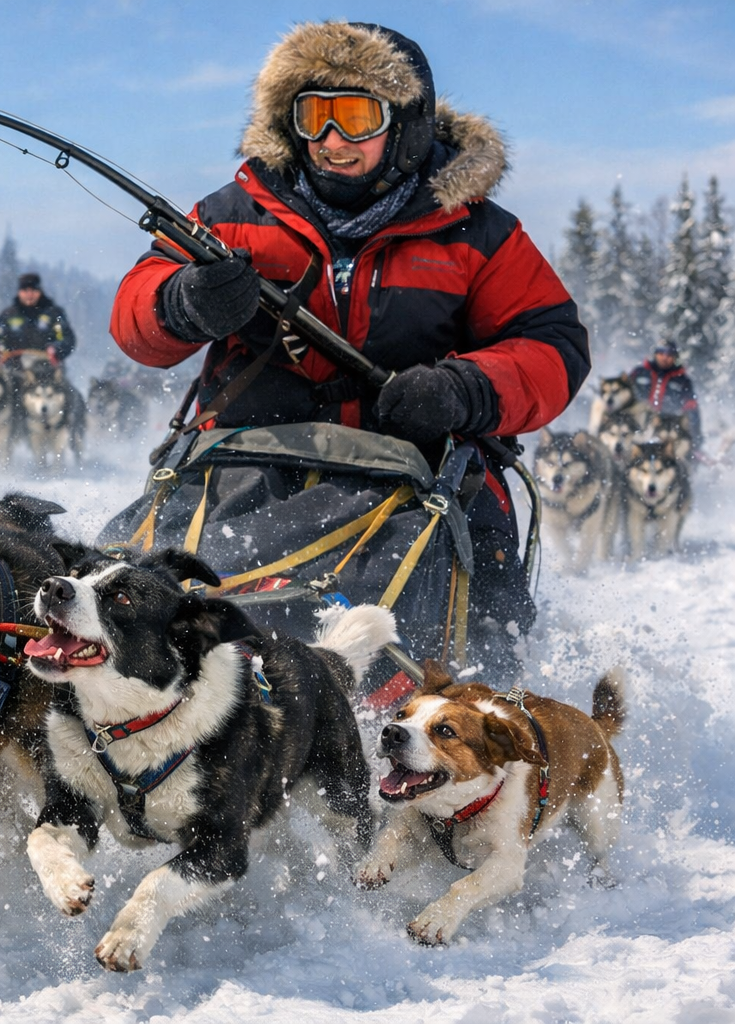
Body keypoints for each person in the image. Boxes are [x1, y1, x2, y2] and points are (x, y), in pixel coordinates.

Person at [108, 21, 589, 671]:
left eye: (357, 117)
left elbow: (551, 344)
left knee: (487, 640)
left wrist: (465, 388)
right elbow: (137, 316)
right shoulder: (230, 215)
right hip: (247, 467)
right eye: (314, 117)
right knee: (131, 590)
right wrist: (183, 303)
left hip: (422, 470)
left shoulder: (477, 231)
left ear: (407, 126)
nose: (332, 140)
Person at [0, 273, 76, 366]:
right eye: (25, 290)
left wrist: (56, 349)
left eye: (33, 290)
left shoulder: (53, 315)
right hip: (13, 369)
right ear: (19, 292)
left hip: (47, 369)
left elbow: (65, 338)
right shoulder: (8, 316)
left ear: (40, 291)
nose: (29, 295)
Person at [627, 341, 702, 452]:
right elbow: (626, 393)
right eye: (661, 353)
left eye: (669, 355)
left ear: (675, 357)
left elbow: (691, 408)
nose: (665, 358)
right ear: (655, 354)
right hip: (637, 423)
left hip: (667, 426)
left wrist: (695, 439)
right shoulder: (639, 373)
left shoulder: (682, 380)